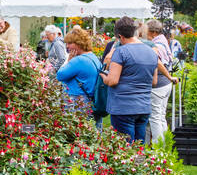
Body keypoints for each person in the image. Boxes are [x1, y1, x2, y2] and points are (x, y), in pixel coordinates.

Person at [103, 16, 173, 144]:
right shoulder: (152, 52)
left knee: (124, 149)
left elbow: (112, 81)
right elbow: (154, 82)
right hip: (143, 107)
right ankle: (140, 163)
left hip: (123, 107)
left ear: (120, 36)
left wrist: (103, 76)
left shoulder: (121, 52)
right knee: (139, 148)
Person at [145, 20, 177, 143]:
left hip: (158, 85)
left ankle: (158, 150)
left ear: (153, 32)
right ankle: (165, 146)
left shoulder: (156, 45)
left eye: (146, 31)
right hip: (165, 85)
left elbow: (157, 62)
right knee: (161, 117)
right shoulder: (164, 40)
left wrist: (169, 76)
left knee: (155, 118)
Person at [54, 27, 101, 111]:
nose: (67, 46)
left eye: (70, 43)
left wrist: (69, 60)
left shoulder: (78, 60)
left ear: (79, 43)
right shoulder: (93, 57)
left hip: (77, 101)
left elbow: (60, 75)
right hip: (91, 101)